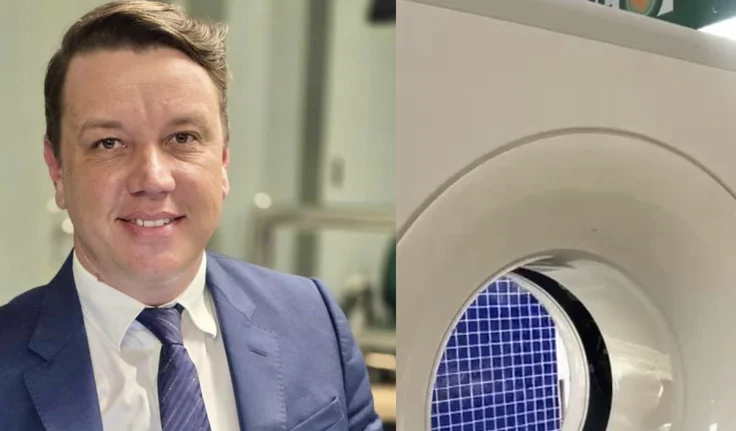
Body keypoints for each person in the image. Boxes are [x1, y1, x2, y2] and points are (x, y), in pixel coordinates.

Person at [0, 2, 382, 430]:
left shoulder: (312, 321)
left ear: (223, 160)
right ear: (57, 168)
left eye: (182, 137)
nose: (153, 178)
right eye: (109, 143)